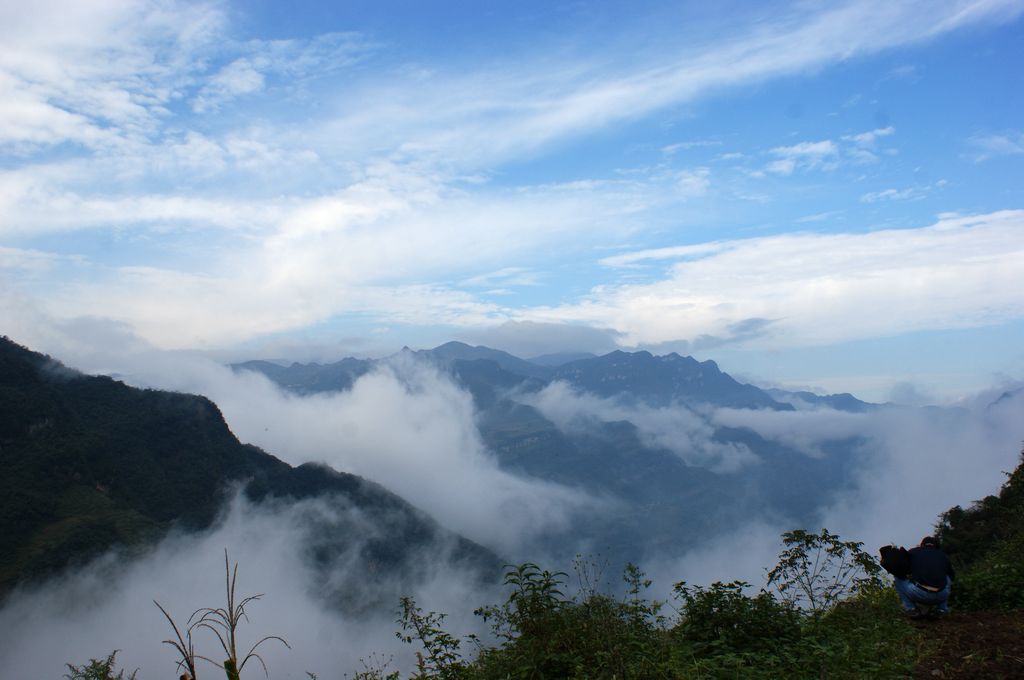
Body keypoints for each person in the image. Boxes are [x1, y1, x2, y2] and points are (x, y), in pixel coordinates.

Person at [891, 536, 955, 616]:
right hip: (942, 595)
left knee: (898, 578)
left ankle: (911, 609)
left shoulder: (913, 552)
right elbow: (952, 576)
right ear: (936, 546)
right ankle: (942, 609)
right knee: (948, 577)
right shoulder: (943, 556)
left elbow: (903, 570)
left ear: (922, 545)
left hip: (919, 594)